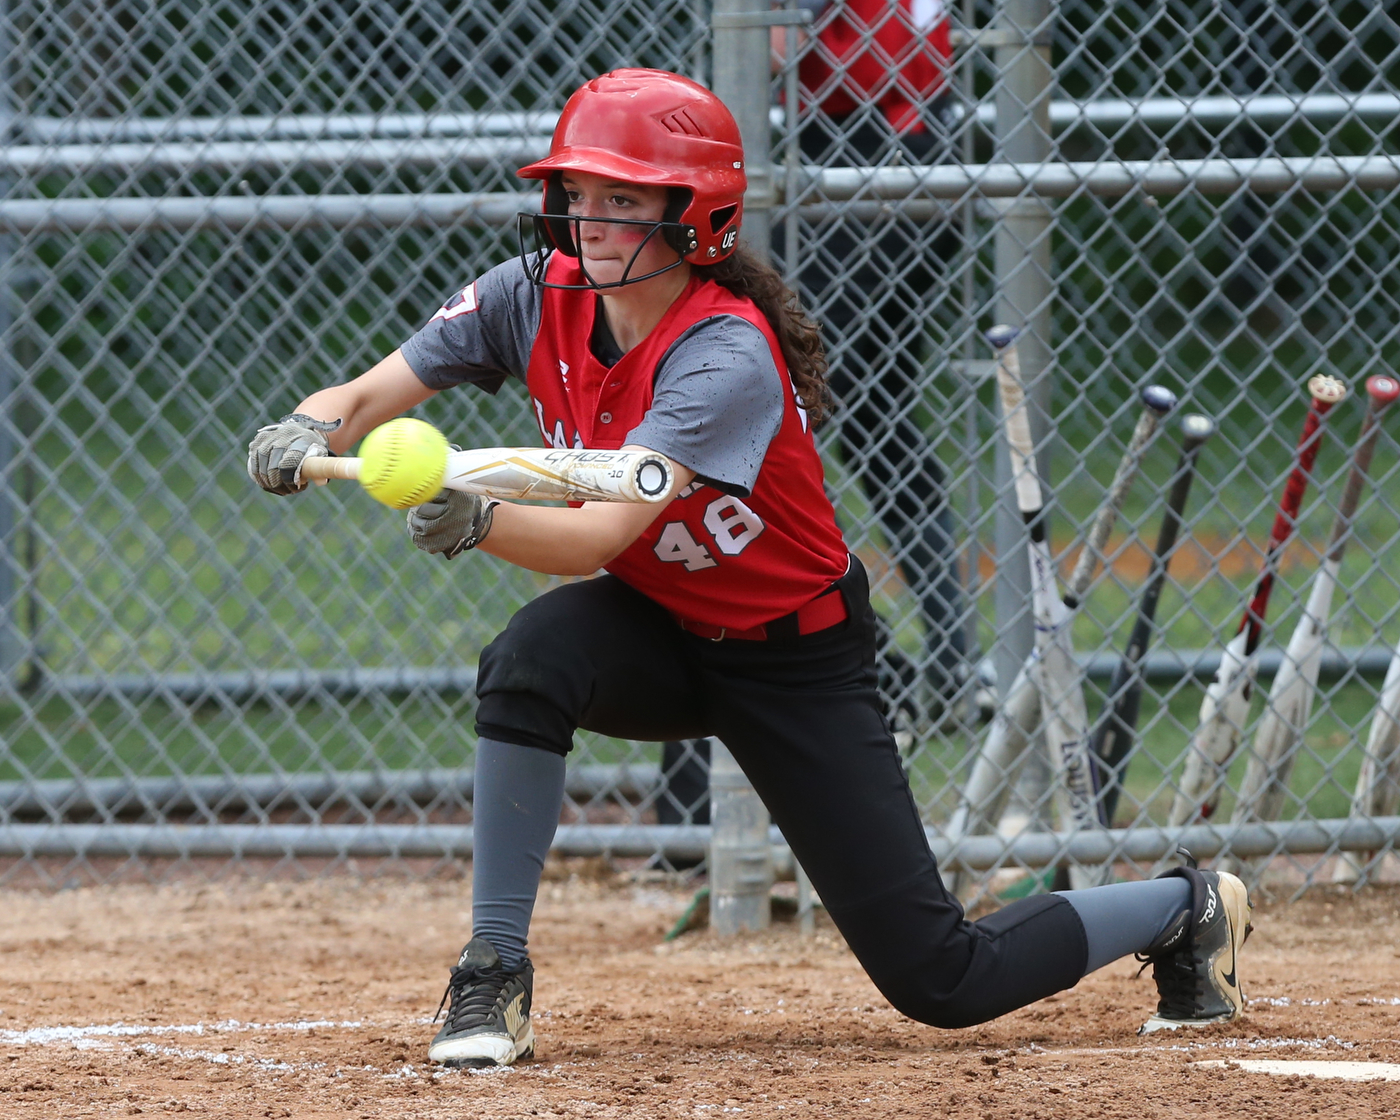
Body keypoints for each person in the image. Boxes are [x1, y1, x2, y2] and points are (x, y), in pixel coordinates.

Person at [246, 69, 1254, 1070]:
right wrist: (308, 426)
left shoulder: (720, 354)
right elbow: (373, 390)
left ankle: (1183, 905)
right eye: (578, 195)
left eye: (625, 200)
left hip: (796, 661)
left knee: (942, 979)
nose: (590, 222)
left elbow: (595, 536)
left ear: (696, 218)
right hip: (662, 631)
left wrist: (475, 520)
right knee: (529, 657)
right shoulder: (531, 296)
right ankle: (491, 972)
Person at [775, 0, 969, 728]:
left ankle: (866, 656)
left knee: (793, 410)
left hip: (870, 150)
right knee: (875, 416)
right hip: (916, 145)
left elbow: (774, 49)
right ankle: (938, 666)